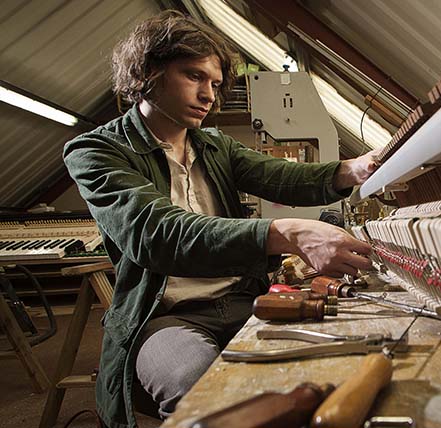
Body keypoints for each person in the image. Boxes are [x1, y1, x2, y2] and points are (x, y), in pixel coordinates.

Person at [63, 10, 378, 428]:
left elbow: (282, 178)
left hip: (244, 301)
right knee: (201, 388)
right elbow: (157, 234)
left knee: (337, 369)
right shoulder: (96, 152)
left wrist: (354, 169)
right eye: (194, 76)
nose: (209, 94)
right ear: (148, 72)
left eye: (214, 83)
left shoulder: (214, 145)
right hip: (165, 316)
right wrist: (287, 232)